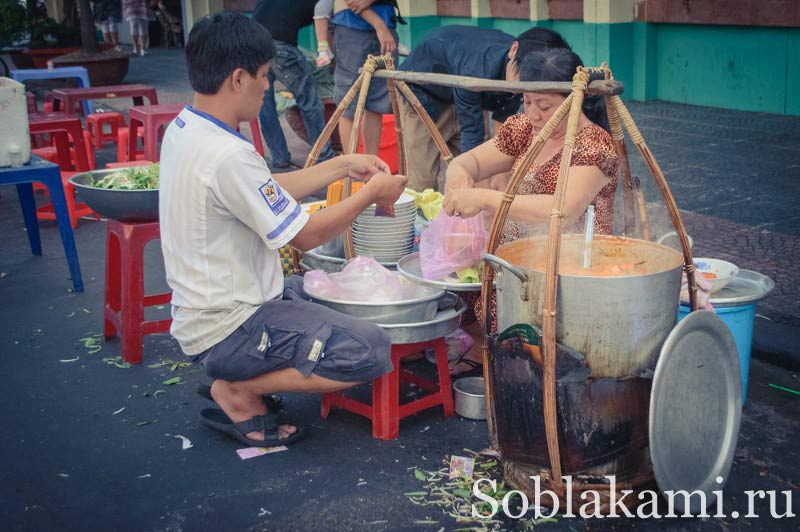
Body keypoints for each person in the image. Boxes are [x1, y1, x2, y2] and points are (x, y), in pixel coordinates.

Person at [159, 11, 408, 446]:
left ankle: (240, 376)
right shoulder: (227, 153)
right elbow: (306, 236)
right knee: (369, 349)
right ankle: (239, 389)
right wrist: (371, 194)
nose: (267, 86)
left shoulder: (187, 127)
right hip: (230, 326)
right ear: (238, 79)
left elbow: (263, 189)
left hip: (204, 313)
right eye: (263, 75)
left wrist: (344, 165)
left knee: (319, 289)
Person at [441, 48, 618, 376]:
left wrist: (483, 198)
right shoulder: (524, 129)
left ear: (574, 100)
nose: (534, 114)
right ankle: (490, 353)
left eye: (546, 106)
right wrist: (459, 178)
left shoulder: (594, 147)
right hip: (514, 265)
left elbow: (562, 209)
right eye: (527, 102)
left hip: (564, 274)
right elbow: (470, 161)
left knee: (539, 356)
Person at [398, 26, 571, 192]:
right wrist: (484, 196)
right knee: (423, 180)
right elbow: (472, 133)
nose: (522, 91)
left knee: (484, 170)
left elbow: (502, 132)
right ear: (513, 50)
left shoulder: (527, 68)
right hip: (424, 91)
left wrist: (500, 178)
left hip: (463, 95)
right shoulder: (475, 69)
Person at [252, 0, 338, 170]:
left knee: (264, 104)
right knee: (310, 101)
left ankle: (279, 158)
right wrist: (333, 60)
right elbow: (327, 30)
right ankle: (323, 156)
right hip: (279, 47)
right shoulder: (325, 2)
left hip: (253, 45)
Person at [332, 0, 402, 155]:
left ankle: (372, 166)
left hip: (387, 28)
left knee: (376, 106)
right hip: (352, 29)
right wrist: (379, 25)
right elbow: (354, 3)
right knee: (348, 105)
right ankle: (351, 170)